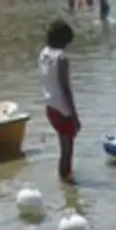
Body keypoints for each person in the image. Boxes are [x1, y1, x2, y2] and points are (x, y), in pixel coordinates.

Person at [39, 18, 80, 183]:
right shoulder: (61, 58)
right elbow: (65, 88)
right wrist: (75, 116)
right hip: (62, 109)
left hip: (50, 106)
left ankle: (65, 180)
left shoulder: (44, 53)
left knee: (64, 148)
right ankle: (67, 184)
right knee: (67, 151)